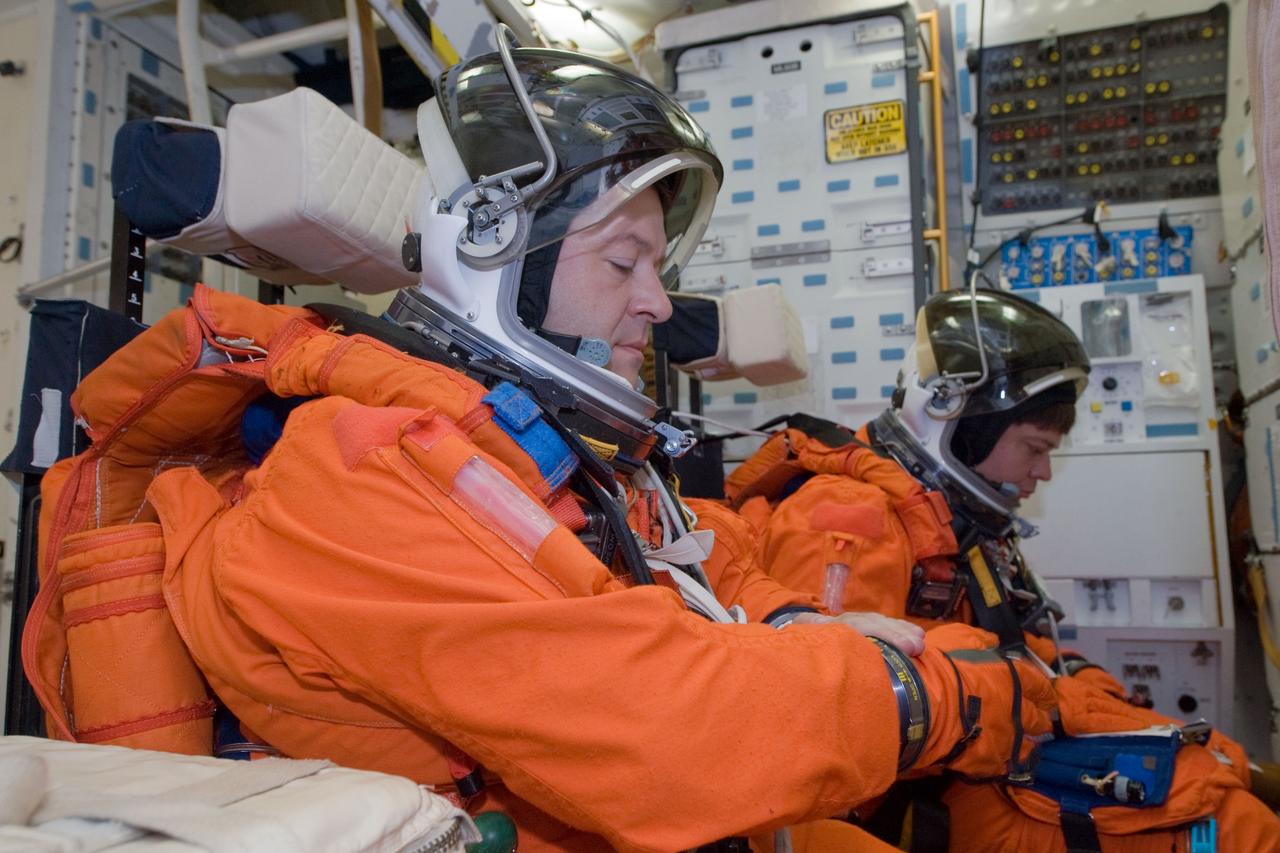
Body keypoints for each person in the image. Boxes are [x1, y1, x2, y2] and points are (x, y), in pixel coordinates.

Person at [27, 40, 1058, 853]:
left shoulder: (553, 461)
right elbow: (669, 736)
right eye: (624, 261)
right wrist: (949, 700)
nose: (656, 301)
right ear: (490, 250)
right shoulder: (355, 477)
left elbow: (710, 567)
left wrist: (808, 623)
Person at [729, 288, 1280, 851]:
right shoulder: (848, 518)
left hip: (980, 755)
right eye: (1034, 447)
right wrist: (1068, 709)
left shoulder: (944, 516)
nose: (1042, 471)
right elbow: (831, 724)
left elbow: (1014, 643)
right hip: (908, 802)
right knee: (1232, 828)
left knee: (1217, 787)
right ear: (955, 422)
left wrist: (1102, 701)